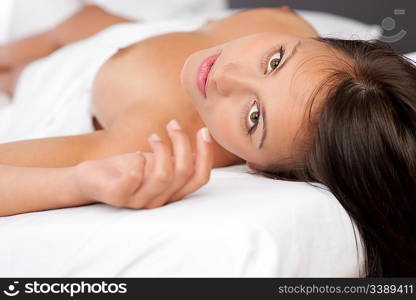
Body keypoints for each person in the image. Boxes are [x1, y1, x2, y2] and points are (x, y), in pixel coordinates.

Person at [0, 5, 415, 277]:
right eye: (274, 61)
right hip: (109, 36)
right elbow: (85, 22)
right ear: (314, 40)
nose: (226, 74)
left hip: (51, 80)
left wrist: (76, 183)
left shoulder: (150, 133)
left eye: (253, 118)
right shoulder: (281, 22)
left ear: (258, 167)